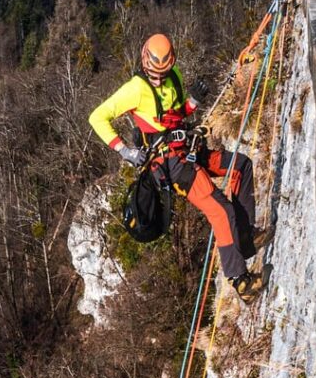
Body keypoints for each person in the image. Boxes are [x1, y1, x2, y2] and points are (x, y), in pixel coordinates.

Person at [88, 32, 265, 300]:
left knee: (241, 165)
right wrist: (124, 150)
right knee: (220, 210)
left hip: (189, 150)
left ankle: (246, 236)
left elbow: (176, 115)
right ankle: (239, 279)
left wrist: (193, 102)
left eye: (163, 73)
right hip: (172, 166)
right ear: (145, 63)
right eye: (155, 74)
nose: (159, 79)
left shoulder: (174, 76)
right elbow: (97, 117)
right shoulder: (135, 89)